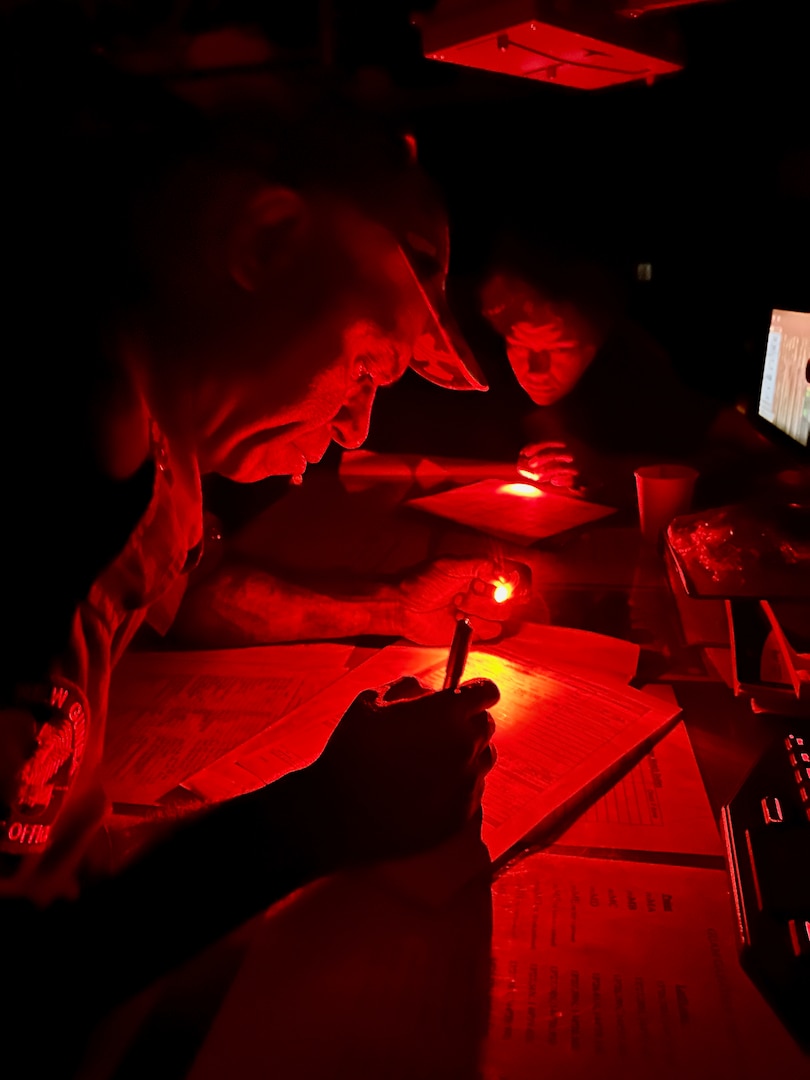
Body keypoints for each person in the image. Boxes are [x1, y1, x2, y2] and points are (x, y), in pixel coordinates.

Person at [0, 22, 514, 1072]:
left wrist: (387, 609)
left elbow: (182, 595)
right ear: (263, 241)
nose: (359, 428)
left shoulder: (158, 449)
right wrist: (308, 824)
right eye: (369, 366)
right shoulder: (67, 447)